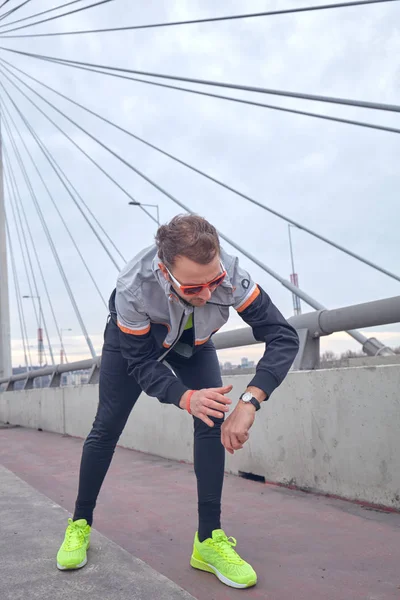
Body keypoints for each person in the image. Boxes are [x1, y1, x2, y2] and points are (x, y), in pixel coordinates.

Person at [56, 214, 299, 589]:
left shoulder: (230, 275)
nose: (207, 296)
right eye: (193, 289)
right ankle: (80, 523)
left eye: (214, 283)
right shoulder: (133, 288)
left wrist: (250, 401)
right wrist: (185, 397)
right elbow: (140, 363)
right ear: (165, 272)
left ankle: (207, 541)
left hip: (192, 343)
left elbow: (283, 337)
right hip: (136, 344)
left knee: (211, 417)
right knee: (106, 428)